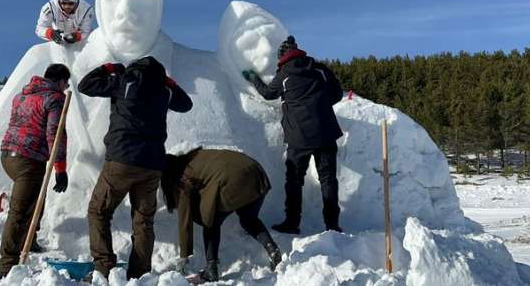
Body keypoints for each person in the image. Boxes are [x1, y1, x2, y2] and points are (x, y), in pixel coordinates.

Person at [78, 56, 192, 280]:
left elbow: (85, 85)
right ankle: (139, 274)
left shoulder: (124, 80)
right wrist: (169, 83)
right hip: (151, 165)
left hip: (121, 160)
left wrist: (109, 68)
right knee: (143, 221)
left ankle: (103, 267)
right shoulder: (164, 91)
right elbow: (186, 104)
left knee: (98, 211)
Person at [243, 36, 344, 234]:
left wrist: (254, 78)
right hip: (326, 133)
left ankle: (292, 222)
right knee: (328, 179)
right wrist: (321, 106)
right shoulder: (319, 69)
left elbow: (269, 94)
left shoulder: (285, 74)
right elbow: (337, 93)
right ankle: (332, 225)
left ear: (281, 57)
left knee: (295, 180)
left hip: (300, 137)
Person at [161, 148, 282, 282]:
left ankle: (211, 269)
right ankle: (272, 250)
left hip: (232, 180)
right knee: (249, 219)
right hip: (256, 173)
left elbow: (185, 219)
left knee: (210, 219)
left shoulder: (181, 177)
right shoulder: (195, 157)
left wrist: (184, 255)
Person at [0, 63, 71, 278]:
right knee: (18, 213)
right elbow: (55, 134)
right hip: (28, 160)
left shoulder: (22, 95)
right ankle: (7, 266)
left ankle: (30, 238)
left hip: (8, 155)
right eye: (66, 83)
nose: (66, 87)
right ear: (59, 81)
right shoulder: (54, 98)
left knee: (36, 196)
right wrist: (61, 168)